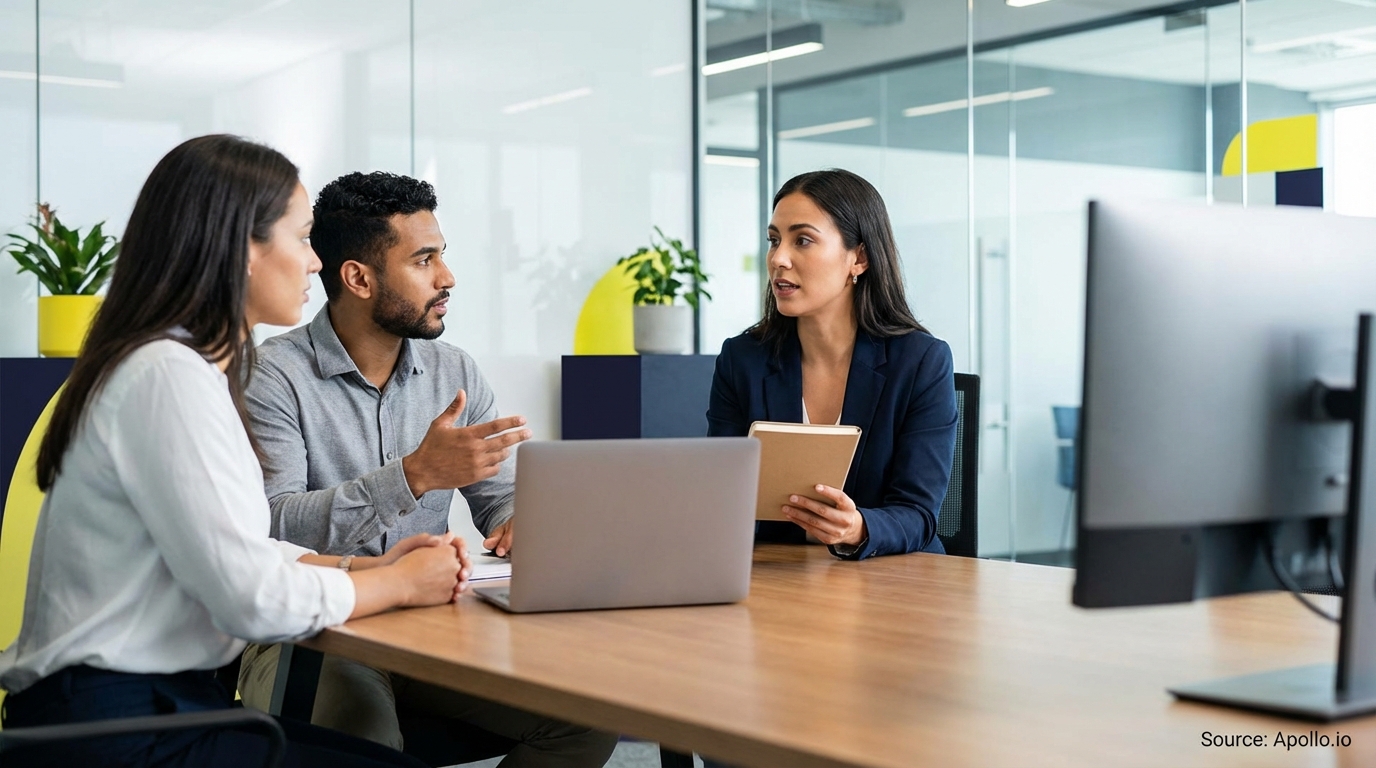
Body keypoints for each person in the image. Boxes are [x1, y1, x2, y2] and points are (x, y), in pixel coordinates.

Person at [0, 135, 469, 768]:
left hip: (155, 710)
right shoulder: (168, 375)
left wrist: (362, 571)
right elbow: (249, 596)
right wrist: (401, 586)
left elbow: (236, 546)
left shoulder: (172, 366)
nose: (315, 264)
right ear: (241, 249)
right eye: (303, 239)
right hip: (121, 728)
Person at [233, 171, 618, 766]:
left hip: (432, 623)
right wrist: (412, 476)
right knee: (366, 737)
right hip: (311, 632)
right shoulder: (271, 378)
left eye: (443, 255)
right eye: (424, 260)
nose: (447, 277)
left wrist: (520, 520)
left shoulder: (453, 372)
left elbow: (498, 498)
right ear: (358, 278)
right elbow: (269, 529)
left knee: (586, 718)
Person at [707, 168, 958, 560]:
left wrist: (857, 528)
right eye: (774, 241)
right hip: (777, 575)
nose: (779, 259)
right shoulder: (743, 359)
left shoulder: (921, 362)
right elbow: (720, 495)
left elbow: (919, 514)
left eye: (802, 240)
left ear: (859, 257)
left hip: (890, 577)